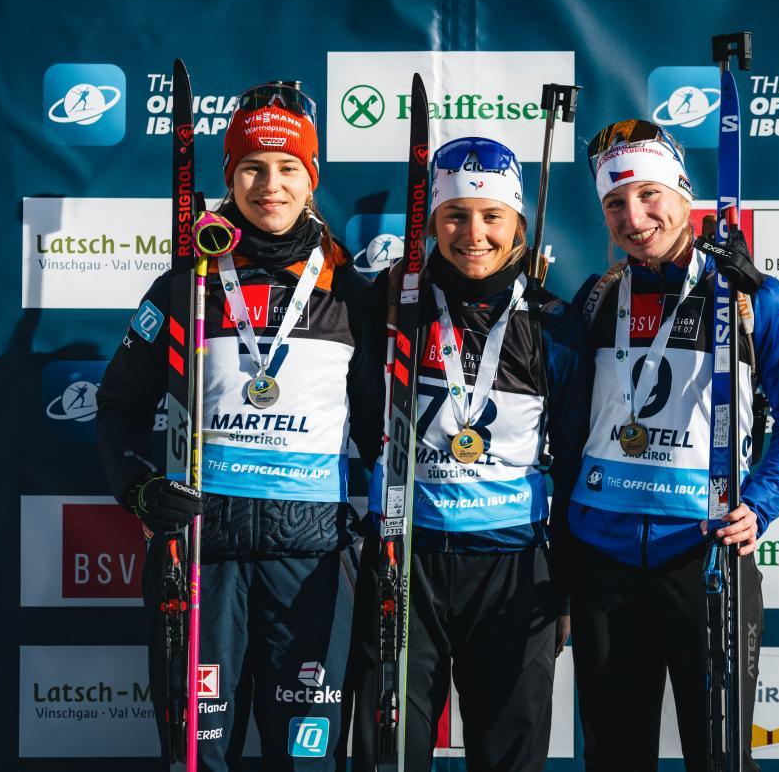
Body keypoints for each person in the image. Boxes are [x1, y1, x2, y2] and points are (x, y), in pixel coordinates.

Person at [96, 81, 380, 771]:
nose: (269, 186)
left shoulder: (350, 293)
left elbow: (383, 430)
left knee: (307, 760)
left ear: (311, 178)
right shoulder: (186, 284)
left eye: (287, 168)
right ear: (230, 177)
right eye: (252, 168)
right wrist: (139, 489)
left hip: (310, 563)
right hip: (201, 554)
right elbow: (119, 406)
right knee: (198, 756)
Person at [564, 120, 779, 771]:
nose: (634, 217)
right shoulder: (597, 297)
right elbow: (562, 423)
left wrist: (759, 505)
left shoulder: (751, 296)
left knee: (719, 756)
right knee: (613, 757)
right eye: (615, 203)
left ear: (684, 195)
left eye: (648, 195)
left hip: (702, 554)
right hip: (604, 558)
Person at [349, 137, 589, 772]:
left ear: (518, 225)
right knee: (388, 757)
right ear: (431, 222)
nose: (473, 234)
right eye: (455, 215)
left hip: (513, 570)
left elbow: (572, 463)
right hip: (405, 560)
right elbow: (362, 420)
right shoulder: (388, 306)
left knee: (510, 757)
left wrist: (565, 590)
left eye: (491, 216)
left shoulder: (553, 324)